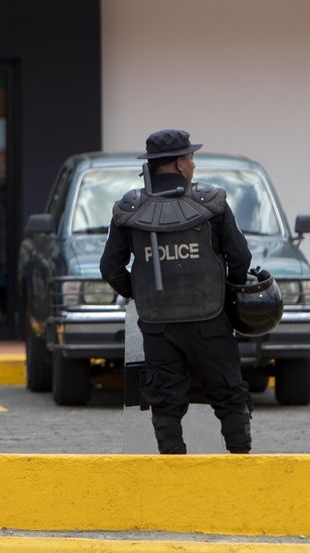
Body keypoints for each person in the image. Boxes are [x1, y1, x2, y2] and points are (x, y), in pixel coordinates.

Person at [99, 129, 253, 454]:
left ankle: (173, 474)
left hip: (158, 324)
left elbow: (110, 268)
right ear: (181, 164)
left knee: (165, 401)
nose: (193, 165)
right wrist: (228, 295)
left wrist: (141, 294)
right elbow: (240, 258)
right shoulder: (213, 204)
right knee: (229, 394)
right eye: (191, 158)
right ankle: (242, 467)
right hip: (211, 319)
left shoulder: (129, 209)